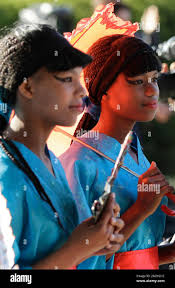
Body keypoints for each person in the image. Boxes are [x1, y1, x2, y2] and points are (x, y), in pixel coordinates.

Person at [0, 24, 124, 269]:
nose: (82, 91)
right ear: (27, 87)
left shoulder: (51, 159)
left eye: (80, 79)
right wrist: (80, 246)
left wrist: (98, 237)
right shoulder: (5, 177)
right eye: (67, 79)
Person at [59, 34, 175, 269]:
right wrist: (141, 209)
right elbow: (74, 259)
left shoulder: (137, 156)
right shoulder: (77, 163)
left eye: (154, 79)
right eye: (138, 81)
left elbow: (133, 254)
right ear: (104, 89)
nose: (153, 91)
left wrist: (168, 253)